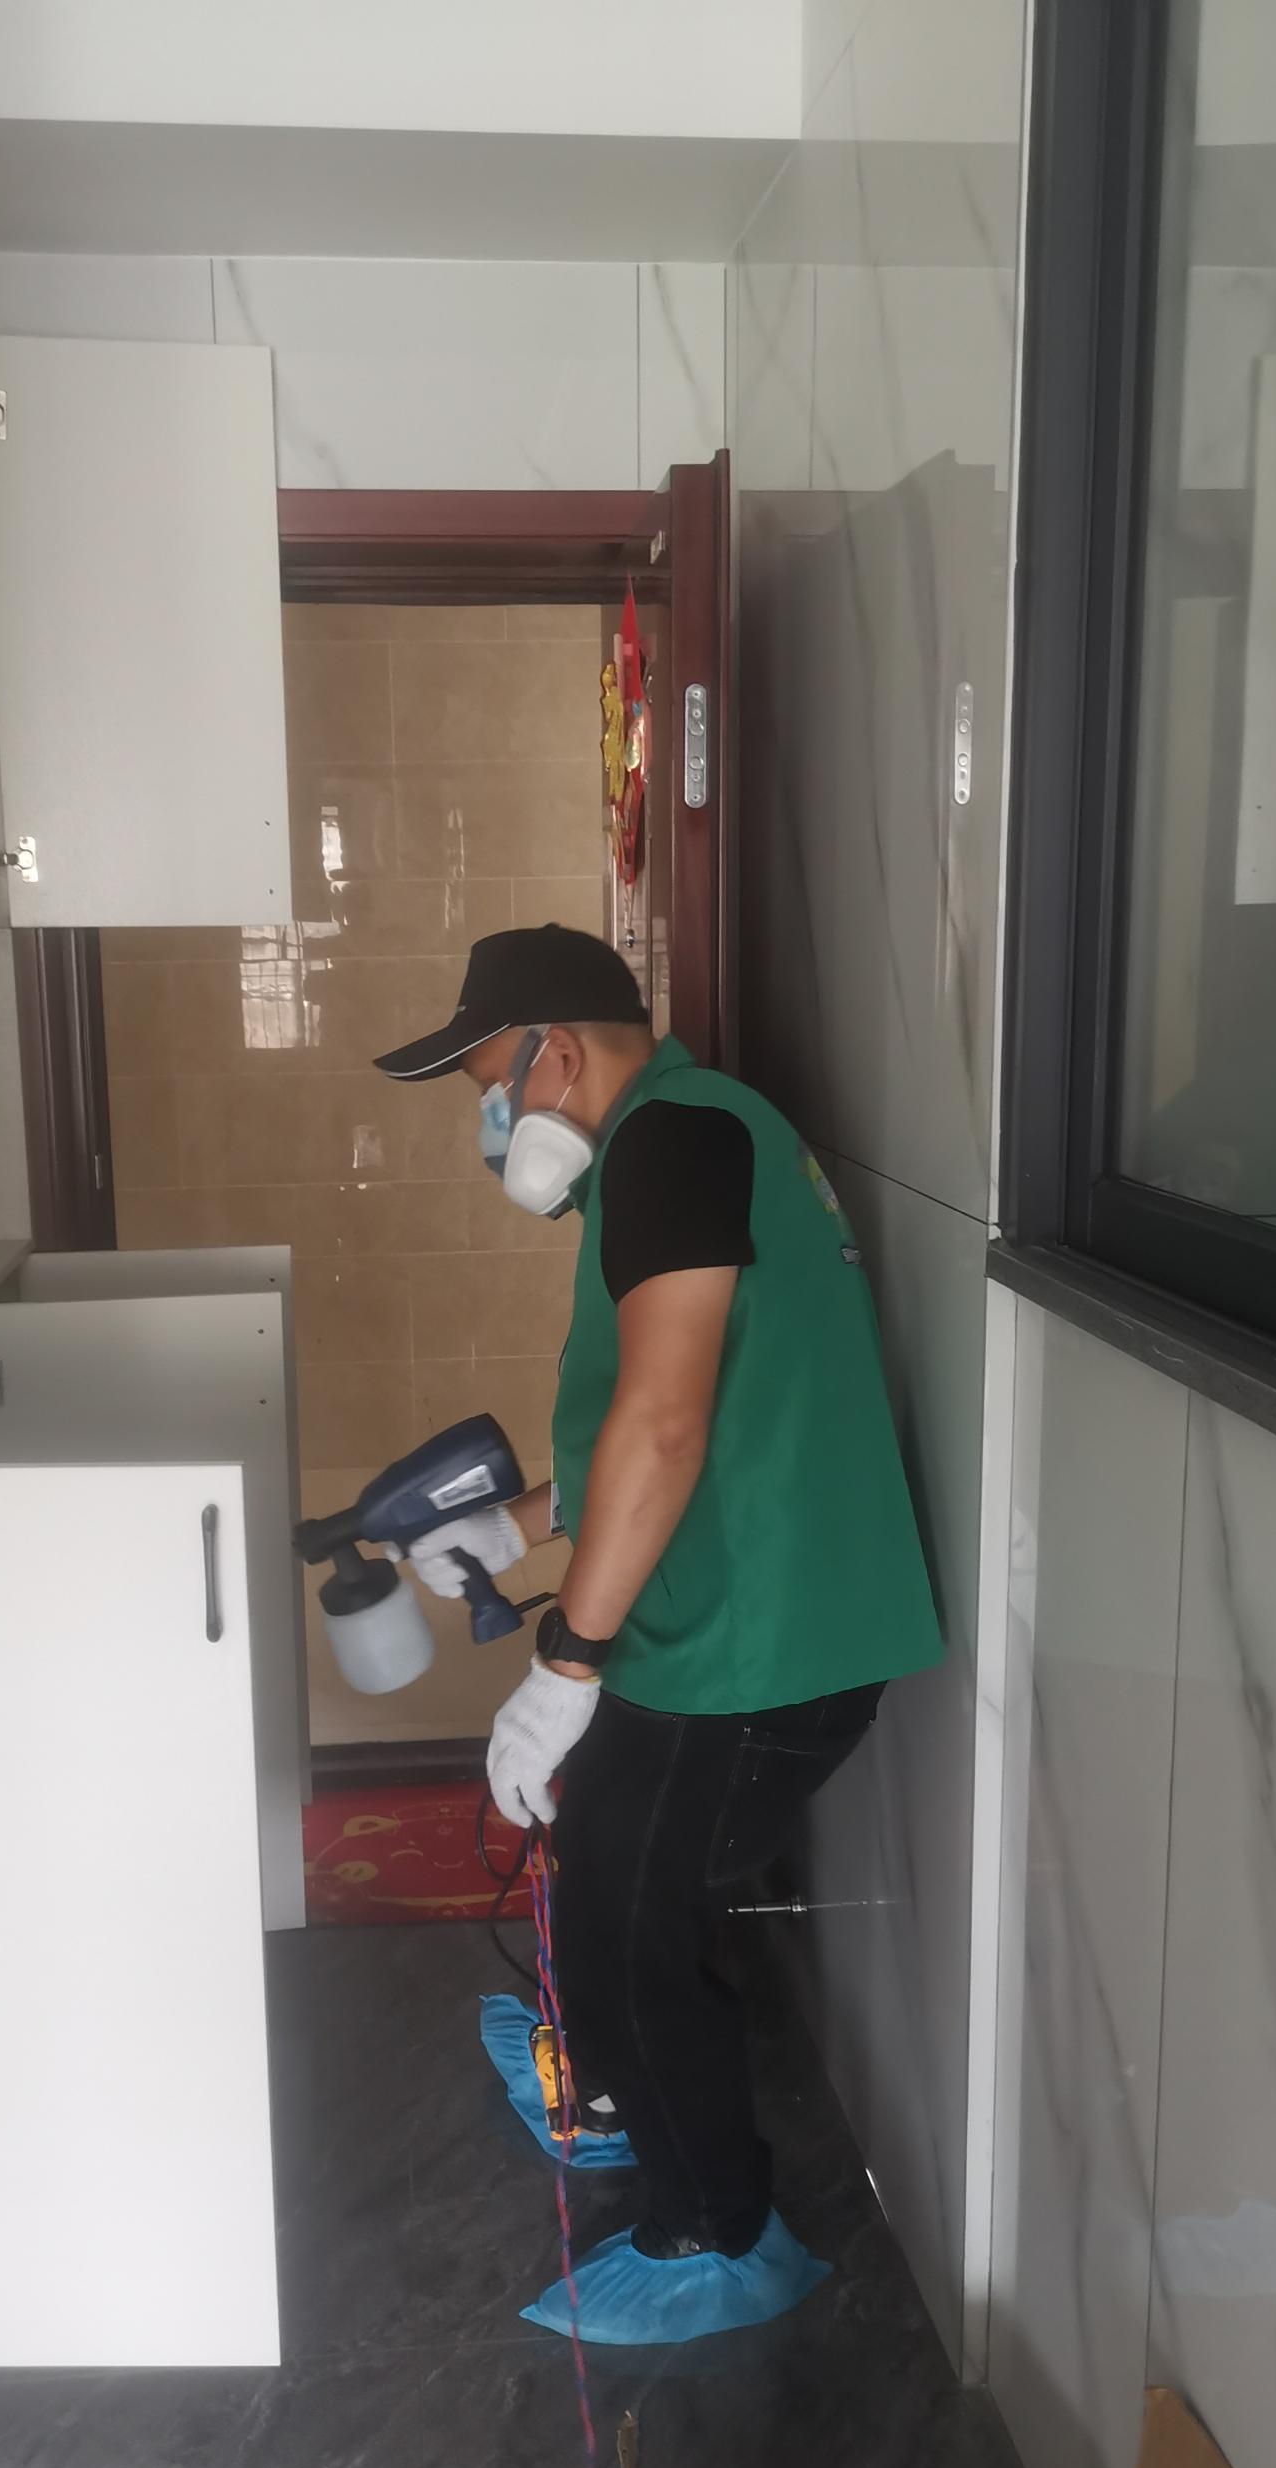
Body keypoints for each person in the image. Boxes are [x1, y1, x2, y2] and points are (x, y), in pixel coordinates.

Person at [373, 924, 941, 2345]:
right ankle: (613, 2092)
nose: (489, 1125)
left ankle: (717, 2235)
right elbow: (690, 1414)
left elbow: (669, 1421)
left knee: (628, 1917)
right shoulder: (679, 1136)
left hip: (757, 1634)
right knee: (611, 1879)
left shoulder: (676, 1142)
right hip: (739, 1607)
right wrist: (518, 1526)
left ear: (557, 1054)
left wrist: (566, 1660)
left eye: (490, 1088)